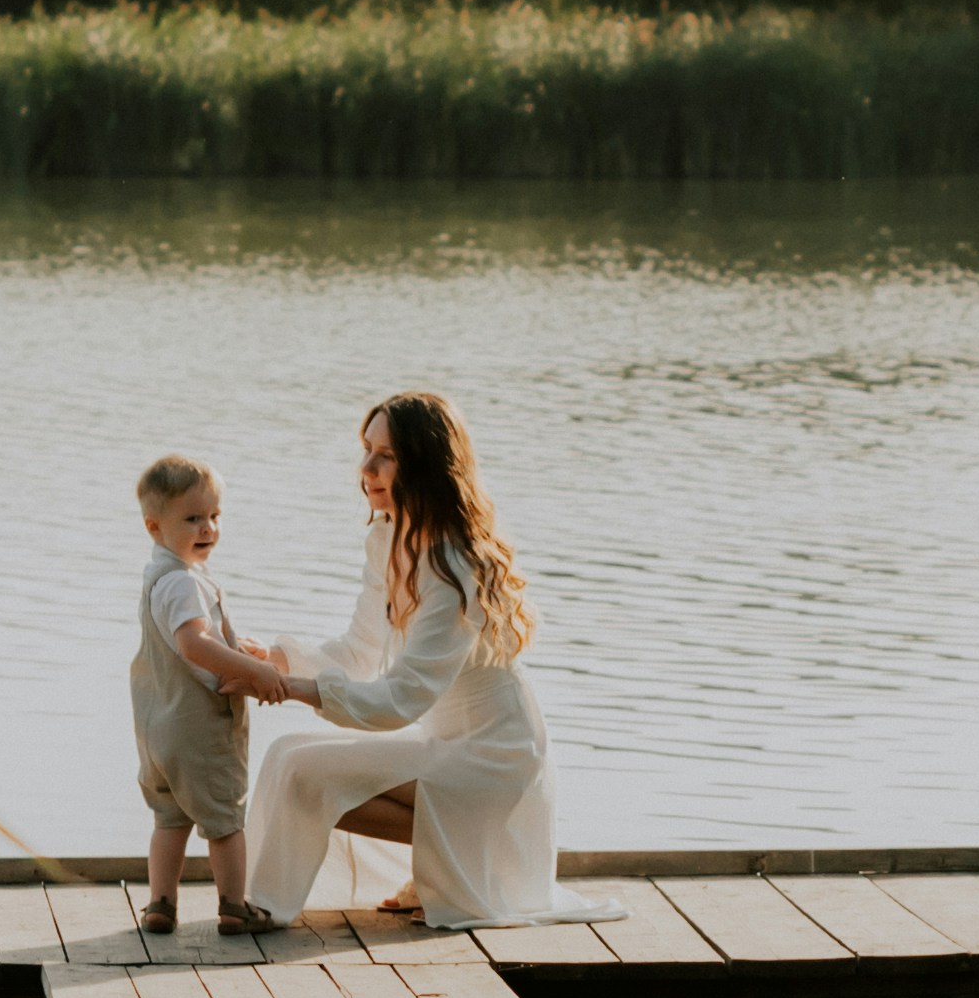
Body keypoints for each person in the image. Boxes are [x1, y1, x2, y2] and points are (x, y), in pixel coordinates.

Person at [251, 390, 624, 932]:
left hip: (495, 757)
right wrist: (277, 661)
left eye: (386, 455)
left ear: (424, 464)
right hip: (444, 745)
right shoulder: (389, 538)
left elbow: (402, 698)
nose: (367, 467)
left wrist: (296, 691)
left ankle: (268, 911)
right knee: (288, 754)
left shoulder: (453, 564)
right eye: (366, 449)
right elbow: (358, 650)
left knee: (307, 773)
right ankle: (427, 870)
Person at [127, 453, 312, 934]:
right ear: (154, 527)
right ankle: (233, 905)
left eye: (214, 516)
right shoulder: (184, 584)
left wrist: (238, 648)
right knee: (225, 820)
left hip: (156, 728)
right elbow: (194, 643)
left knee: (169, 818)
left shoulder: (158, 578)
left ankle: (161, 904)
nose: (208, 527)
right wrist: (252, 667)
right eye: (192, 518)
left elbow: (187, 647)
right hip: (199, 730)